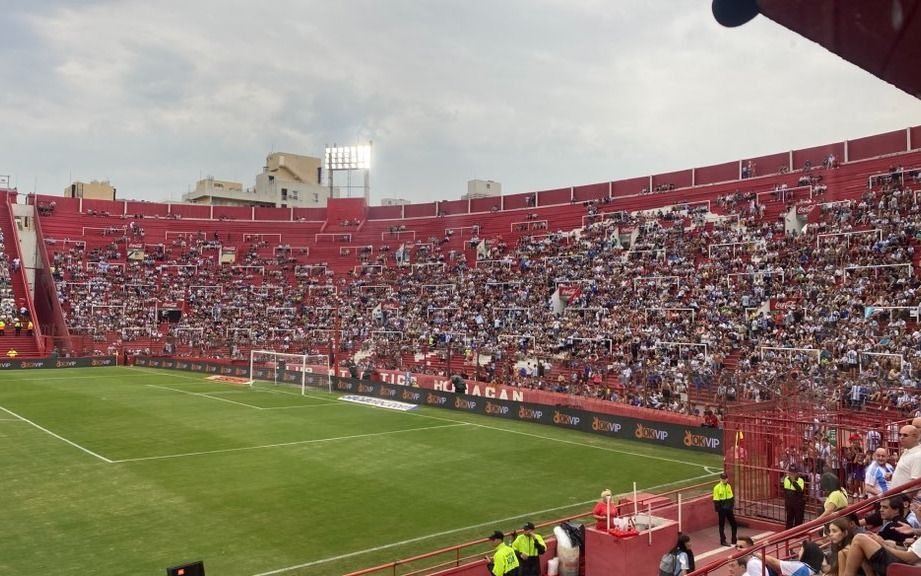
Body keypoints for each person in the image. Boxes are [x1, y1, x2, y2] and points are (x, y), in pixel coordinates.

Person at [713, 472, 738, 546]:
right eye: (723, 479)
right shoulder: (717, 488)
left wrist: (731, 506)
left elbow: (731, 497)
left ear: (727, 479)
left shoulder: (728, 486)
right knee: (722, 525)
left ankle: (734, 539)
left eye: (725, 478)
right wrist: (720, 509)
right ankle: (723, 541)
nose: (724, 480)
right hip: (722, 509)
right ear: (720, 479)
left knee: (734, 524)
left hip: (729, 509)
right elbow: (716, 500)